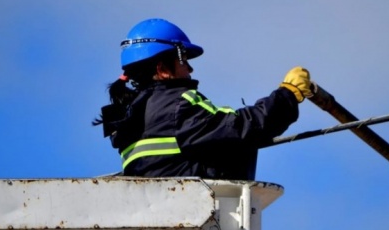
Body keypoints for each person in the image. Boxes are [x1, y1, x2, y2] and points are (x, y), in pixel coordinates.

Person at [94, 18, 314, 180]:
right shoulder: (178, 105)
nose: (190, 68)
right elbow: (244, 126)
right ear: (162, 69)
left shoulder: (131, 115)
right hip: (205, 216)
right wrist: (288, 94)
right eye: (183, 60)